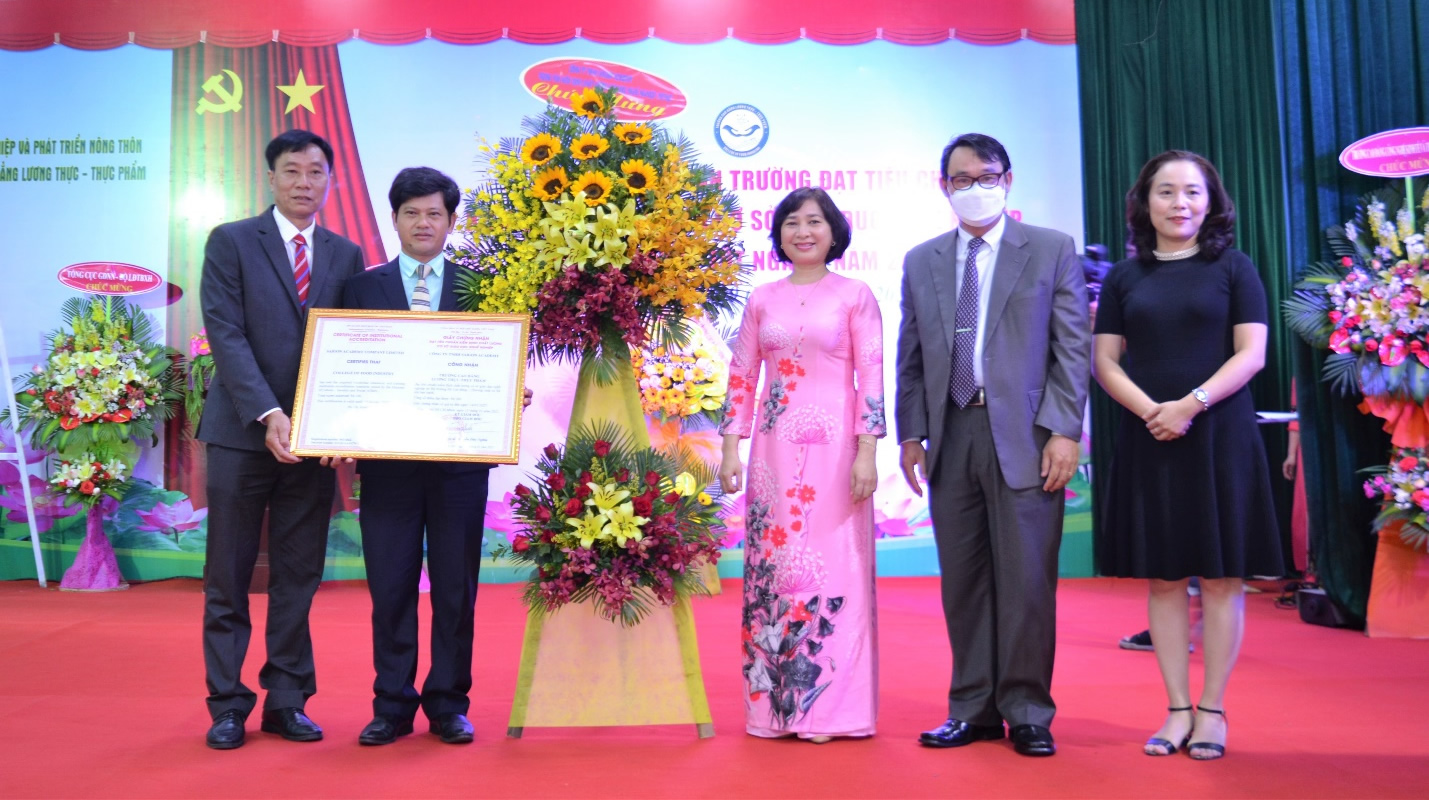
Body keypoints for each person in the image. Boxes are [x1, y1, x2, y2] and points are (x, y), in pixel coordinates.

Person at [895, 133, 1090, 757]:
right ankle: (973, 709)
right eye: (962, 178)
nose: (974, 188)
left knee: (1027, 581)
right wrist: (910, 434)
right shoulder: (921, 260)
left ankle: (1028, 709)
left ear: (1007, 181)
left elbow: (1072, 350)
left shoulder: (1051, 250)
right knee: (965, 581)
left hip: (1028, 437)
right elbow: (911, 358)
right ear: (944, 186)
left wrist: (1064, 430)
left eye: (987, 176)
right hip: (951, 434)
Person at [1092, 149, 1283, 761]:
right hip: (1151, 437)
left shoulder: (1234, 267)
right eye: (1167, 192)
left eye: (1193, 192)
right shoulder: (1125, 278)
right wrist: (1154, 412)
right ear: (1145, 203)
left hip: (1220, 435)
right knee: (1165, 576)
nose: (1180, 203)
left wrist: (1190, 405)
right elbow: (1104, 361)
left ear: (1211, 201)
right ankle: (1177, 709)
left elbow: (1251, 354)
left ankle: (1213, 711)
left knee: (1223, 577)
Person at [341, 167, 530, 746]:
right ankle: (391, 705)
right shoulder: (360, 289)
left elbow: (497, 362)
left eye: (434, 214)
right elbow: (346, 368)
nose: (422, 223)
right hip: (386, 466)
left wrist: (508, 390)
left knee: (454, 589)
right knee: (390, 587)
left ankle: (449, 702)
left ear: (451, 221)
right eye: (411, 213)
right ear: (394, 220)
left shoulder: (482, 288)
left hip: (459, 467)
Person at [198, 129, 367, 749]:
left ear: (330, 181)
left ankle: (287, 701)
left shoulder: (345, 254)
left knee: (298, 575)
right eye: (292, 171)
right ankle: (227, 704)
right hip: (242, 435)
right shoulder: (232, 241)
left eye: (316, 172)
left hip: (312, 443)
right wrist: (268, 413)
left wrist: (342, 423)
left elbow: (354, 341)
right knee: (229, 575)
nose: (304, 182)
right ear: (270, 177)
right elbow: (225, 332)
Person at [718, 187, 885, 743]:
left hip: (837, 456)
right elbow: (742, 375)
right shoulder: (762, 298)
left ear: (834, 232)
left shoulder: (855, 295)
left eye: (814, 221)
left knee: (834, 570)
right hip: (772, 455)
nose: (803, 231)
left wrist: (867, 451)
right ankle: (774, 710)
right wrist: (730, 447)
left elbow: (872, 376)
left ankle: (829, 711)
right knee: (772, 572)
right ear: (779, 235)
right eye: (791, 222)